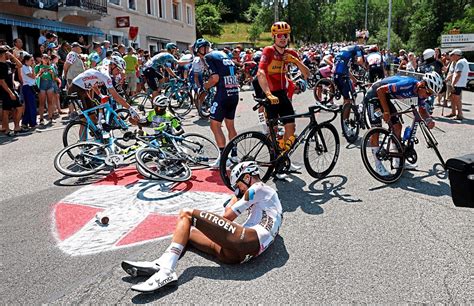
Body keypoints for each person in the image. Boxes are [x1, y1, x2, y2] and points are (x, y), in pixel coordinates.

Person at [121, 161, 283, 293]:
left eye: (238, 186)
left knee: (187, 214)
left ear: (247, 177)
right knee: (188, 233)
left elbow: (227, 217)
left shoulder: (258, 188)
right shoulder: (273, 205)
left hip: (245, 241)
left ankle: (167, 270)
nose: (238, 191)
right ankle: (161, 263)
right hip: (237, 256)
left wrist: (235, 197)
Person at [364, 72, 443, 175]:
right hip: (373, 96)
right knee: (376, 130)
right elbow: (380, 90)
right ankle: (378, 165)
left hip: (384, 97)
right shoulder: (407, 84)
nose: (428, 96)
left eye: (431, 94)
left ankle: (397, 160)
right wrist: (386, 112)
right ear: (422, 84)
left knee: (397, 127)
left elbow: (422, 110)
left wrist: (428, 120)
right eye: (428, 93)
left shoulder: (421, 92)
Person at [257, 21, 309, 157]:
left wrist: (296, 61)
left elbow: (307, 74)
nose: (283, 38)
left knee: (291, 128)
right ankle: (273, 159)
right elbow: (260, 72)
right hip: (270, 94)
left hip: (282, 94)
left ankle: (284, 158)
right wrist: (268, 94)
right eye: (279, 35)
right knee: (272, 131)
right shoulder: (268, 51)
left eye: (285, 35)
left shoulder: (290, 52)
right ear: (274, 37)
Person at [201, 46, 240, 167]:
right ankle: (234, 155)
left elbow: (215, 78)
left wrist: (206, 86)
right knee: (230, 125)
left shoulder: (208, 57)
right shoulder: (223, 55)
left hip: (223, 94)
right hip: (234, 92)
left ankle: (223, 158)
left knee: (214, 125)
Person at [68, 55, 139, 121]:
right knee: (84, 120)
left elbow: (94, 84)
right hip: (75, 88)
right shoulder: (105, 75)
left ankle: (96, 133)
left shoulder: (105, 68)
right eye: (118, 70)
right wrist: (130, 108)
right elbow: (116, 96)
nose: (119, 73)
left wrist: (100, 95)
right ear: (113, 65)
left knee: (93, 118)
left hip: (83, 90)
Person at [333, 43, 365, 121]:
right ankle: (345, 122)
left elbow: (346, 70)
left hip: (336, 76)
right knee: (348, 101)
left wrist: (355, 80)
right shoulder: (357, 48)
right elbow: (360, 61)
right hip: (343, 77)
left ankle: (345, 116)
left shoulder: (343, 51)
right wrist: (364, 66)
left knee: (349, 96)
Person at [0, 45, 23, 136]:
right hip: (5, 91)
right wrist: (10, 93)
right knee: (6, 110)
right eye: (7, 52)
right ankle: (6, 130)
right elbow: (1, 82)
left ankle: (17, 127)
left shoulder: (8, 63)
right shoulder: (0, 66)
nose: (8, 53)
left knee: (19, 107)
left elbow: (20, 65)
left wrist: (13, 57)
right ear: (3, 54)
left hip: (12, 89)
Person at [445, 49, 468, 121]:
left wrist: (453, 84)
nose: (450, 57)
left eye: (452, 55)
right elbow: (454, 73)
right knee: (453, 98)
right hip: (459, 84)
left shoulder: (460, 62)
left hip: (457, 84)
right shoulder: (463, 61)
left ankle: (459, 115)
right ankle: (454, 113)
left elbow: (458, 74)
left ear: (456, 55)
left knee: (456, 99)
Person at [35, 54, 57, 125]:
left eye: (47, 58)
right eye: (44, 58)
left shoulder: (51, 67)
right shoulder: (38, 67)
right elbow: (36, 77)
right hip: (42, 84)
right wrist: (41, 72)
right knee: (42, 102)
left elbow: (54, 79)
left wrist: (52, 73)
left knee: (50, 102)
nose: (46, 59)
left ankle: (50, 118)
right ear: (41, 59)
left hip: (50, 83)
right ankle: (41, 119)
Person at [20, 54, 37, 129]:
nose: (33, 62)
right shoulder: (24, 67)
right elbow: (33, 76)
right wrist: (33, 68)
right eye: (31, 60)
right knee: (31, 106)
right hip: (27, 87)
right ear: (26, 61)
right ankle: (33, 123)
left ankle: (25, 122)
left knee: (29, 106)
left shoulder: (29, 67)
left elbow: (34, 77)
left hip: (31, 87)